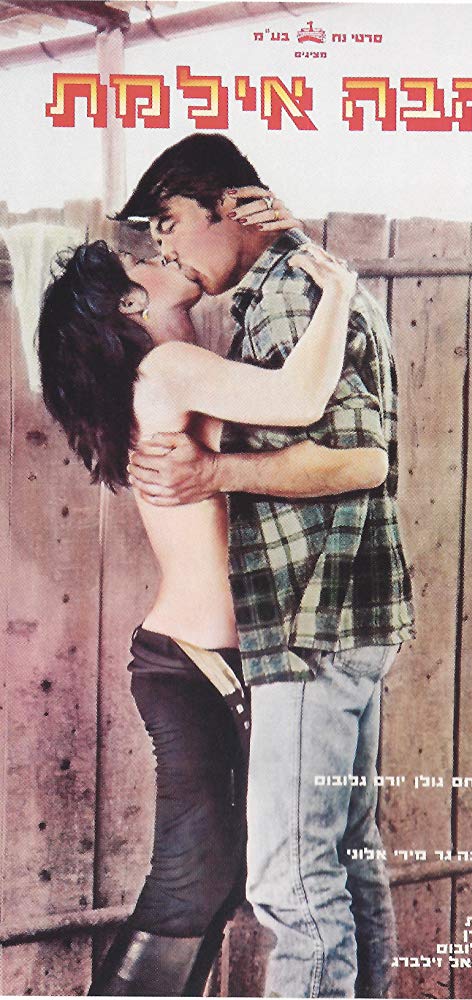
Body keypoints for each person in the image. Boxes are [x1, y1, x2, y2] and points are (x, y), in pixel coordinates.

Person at [117, 134, 415, 999]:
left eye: (170, 222)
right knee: (348, 862)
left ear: (233, 206)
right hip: (343, 615)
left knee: (291, 881)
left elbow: (358, 459)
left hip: (307, 621)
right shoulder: (304, 288)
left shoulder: (290, 299)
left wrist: (214, 473)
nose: (166, 246)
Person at [37, 213, 357, 996]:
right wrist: (341, 292)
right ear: (128, 303)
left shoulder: (173, 368)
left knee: (220, 876)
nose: (162, 257)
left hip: (203, 662)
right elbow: (301, 395)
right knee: (197, 876)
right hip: (195, 665)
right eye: (141, 262)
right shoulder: (167, 370)